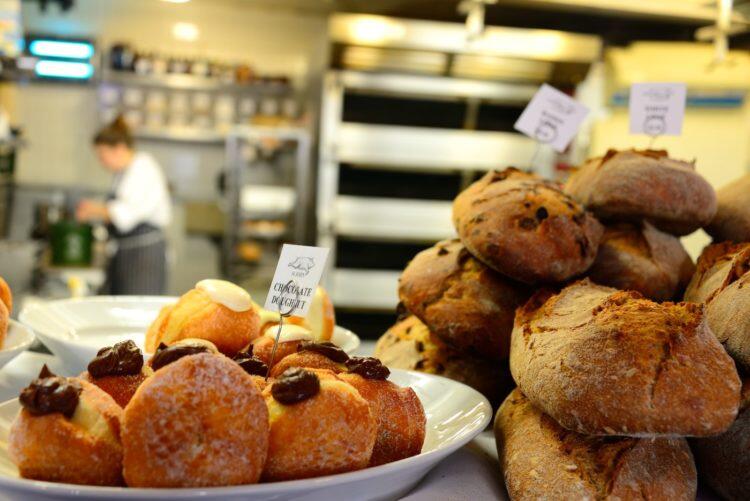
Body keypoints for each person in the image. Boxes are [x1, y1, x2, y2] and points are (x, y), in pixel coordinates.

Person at [76, 116, 171, 294]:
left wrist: (93, 210)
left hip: (144, 256)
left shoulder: (143, 168)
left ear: (119, 148)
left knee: (140, 313)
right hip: (128, 252)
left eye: (103, 156)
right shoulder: (124, 173)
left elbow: (126, 215)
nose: (102, 162)